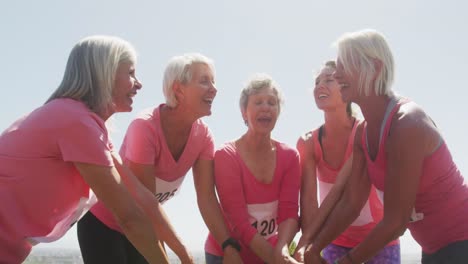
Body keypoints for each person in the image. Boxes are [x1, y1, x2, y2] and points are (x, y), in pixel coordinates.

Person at [0, 35, 169, 263]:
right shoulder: (75, 122)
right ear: (104, 73)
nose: (139, 83)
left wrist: (184, 255)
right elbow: (129, 217)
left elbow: (140, 197)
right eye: (130, 73)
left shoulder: (84, 124)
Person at [304, 29, 468, 264]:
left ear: (376, 68)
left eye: (345, 65)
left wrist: (346, 262)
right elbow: (352, 203)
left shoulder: (407, 124)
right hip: (432, 247)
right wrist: (313, 248)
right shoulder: (362, 132)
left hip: (462, 239)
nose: (336, 74)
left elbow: (395, 223)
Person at [78, 53, 242, 264]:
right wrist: (183, 253)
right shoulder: (144, 127)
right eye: (204, 81)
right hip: (103, 226)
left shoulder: (204, 136)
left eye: (213, 81)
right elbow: (146, 203)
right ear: (178, 90)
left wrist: (228, 244)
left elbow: (207, 198)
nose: (214, 88)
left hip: (144, 225)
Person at [293, 61, 400, 263]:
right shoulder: (308, 142)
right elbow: (308, 201)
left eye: (328, 80)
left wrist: (306, 243)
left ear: (346, 87)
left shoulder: (365, 130)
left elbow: (341, 192)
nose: (320, 86)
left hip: (379, 241)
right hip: (334, 241)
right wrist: (306, 249)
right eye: (317, 82)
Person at [204, 73, 302, 264]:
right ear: (244, 111)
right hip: (228, 254)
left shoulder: (290, 156)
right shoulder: (227, 155)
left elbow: (289, 212)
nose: (266, 107)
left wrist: (282, 251)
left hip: (272, 251)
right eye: (258, 102)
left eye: (272, 102)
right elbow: (238, 221)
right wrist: (276, 260)